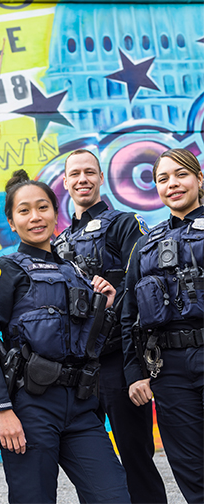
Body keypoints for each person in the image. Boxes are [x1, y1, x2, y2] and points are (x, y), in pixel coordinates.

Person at [0, 169, 131, 503]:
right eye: (24, 210)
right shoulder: (5, 270)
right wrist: (2, 408)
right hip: (31, 407)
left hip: (82, 408)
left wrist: (109, 306)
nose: (35, 217)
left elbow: (92, 341)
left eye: (42, 207)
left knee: (113, 495)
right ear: (12, 222)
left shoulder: (77, 273)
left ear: (55, 213)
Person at [53, 149, 167, 503]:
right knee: (93, 464)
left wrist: (118, 292)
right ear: (66, 183)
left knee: (135, 456)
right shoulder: (58, 243)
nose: (82, 179)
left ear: (102, 178)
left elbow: (144, 279)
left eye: (89, 172)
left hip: (119, 360)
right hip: (80, 368)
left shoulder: (124, 224)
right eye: (75, 174)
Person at [122, 148, 203, 504]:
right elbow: (129, 316)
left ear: (199, 179)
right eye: (163, 178)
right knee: (191, 470)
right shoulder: (145, 245)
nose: (173, 184)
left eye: (181, 174)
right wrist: (134, 373)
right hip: (169, 371)